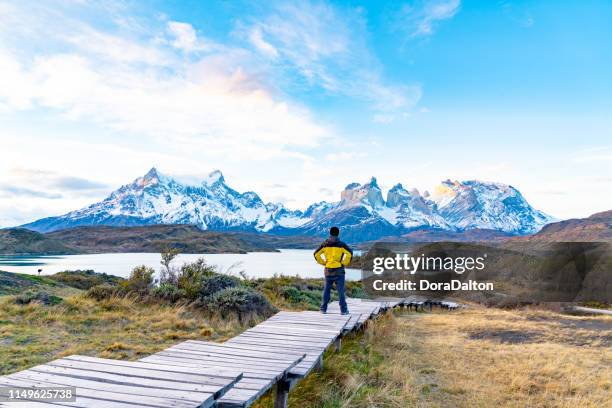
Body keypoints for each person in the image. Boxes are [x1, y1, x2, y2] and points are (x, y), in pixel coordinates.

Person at [314, 226, 352, 315]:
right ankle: (343, 310)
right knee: (341, 291)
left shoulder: (325, 244)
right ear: (338, 234)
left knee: (326, 290)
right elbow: (349, 253)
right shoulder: (342, 245)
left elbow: (316, 254)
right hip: (339, 270)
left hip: (328, 270)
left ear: (330, 234)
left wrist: (324, 263)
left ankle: (323, 309)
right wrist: (344, 263)